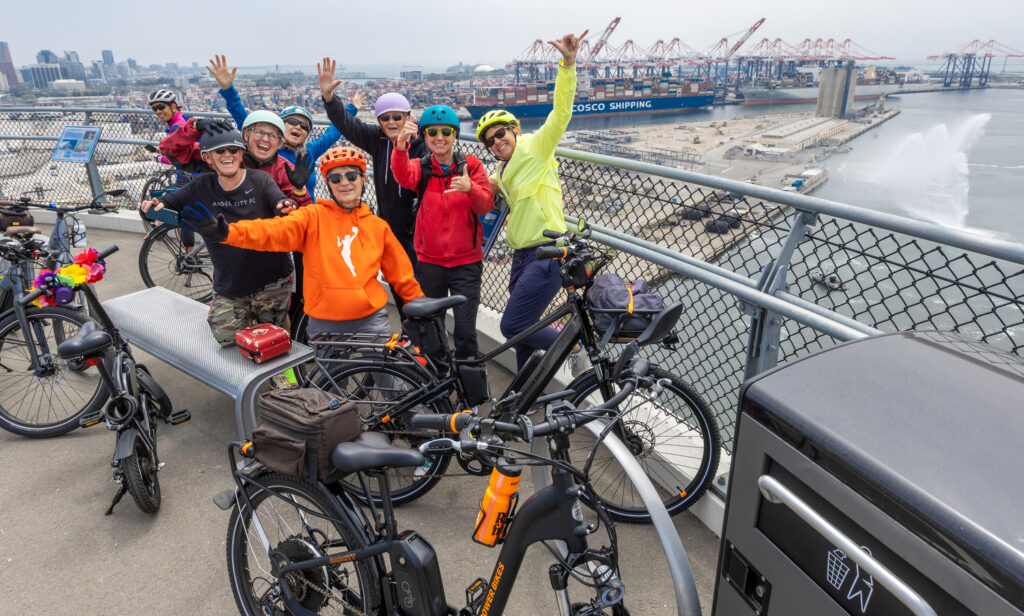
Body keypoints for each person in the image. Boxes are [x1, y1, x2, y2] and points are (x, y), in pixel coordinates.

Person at [177, 147, 423, 340]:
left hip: (370, 318)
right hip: (325, 319)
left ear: (363, 180)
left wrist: (421, 308)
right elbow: (272, 230)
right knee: (330, 387)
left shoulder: (378, 227)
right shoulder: (312, 217)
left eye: (351, 175)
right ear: (328, 185)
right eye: (335, 178)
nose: (344, 183)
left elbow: (401, 275)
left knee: (389, 381)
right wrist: (228, 233)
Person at [475, 29, 588, 371]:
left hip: (548, 251)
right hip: (522, 256)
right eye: (489, 141)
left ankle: (575, 345)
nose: (496, 142)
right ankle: (522, 396)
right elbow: (487, 184)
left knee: (513, 327)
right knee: (526, 332)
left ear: (515, 131)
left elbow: (561, 114)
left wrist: (567, 66)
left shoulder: (536, 148)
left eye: (500, 134)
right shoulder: (503, 170)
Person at [141, 127, 296, 347]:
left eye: (233, 149)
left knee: (277, 329)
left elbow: (279, 199)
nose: (227, 155)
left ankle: (283, 370)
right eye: (219, 151)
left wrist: (285, 205)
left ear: (242, 154)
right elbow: (168, 203)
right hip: (230, 283)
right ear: (207, 158)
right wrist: (151, 206)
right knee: (226, 337)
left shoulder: (261, 180)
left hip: (272, 278)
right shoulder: (201, 186)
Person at [317, 57, 427, 311]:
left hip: (417, 232)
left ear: (409, 117)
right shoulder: (377, 140)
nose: (390, 123)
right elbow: (346, 123)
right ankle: (410, 336)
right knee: (398, 288)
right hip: (389, 227)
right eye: (384, 118)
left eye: (396, 117)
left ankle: (428, 340)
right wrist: (329, 98)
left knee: (419, 289)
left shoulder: (423, 143)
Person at [391, 105, 492, 360]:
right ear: (424, 136)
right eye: (432, 132)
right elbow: (402, 176)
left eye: (446, 131)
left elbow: (485, 205)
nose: (439, 137)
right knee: (431, 328)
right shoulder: (421, 166)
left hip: (466, 264)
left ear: (455, 135)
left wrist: (470, 188)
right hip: (430, 263)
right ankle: (438, 379)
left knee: (466, 331)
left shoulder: (471, 165)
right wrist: (400, 147)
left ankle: (471, 385)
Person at [206, 55, 362, 199]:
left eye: (304, 126)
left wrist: (352, 108)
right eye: (292, 122)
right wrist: (228, 89)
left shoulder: (309, 151)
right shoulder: (268, 149)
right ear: (279, 127)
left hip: (306, 214)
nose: (299, 127)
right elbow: (244, 120)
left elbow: (332, 133)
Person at [159, 111, 313, 207]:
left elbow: (304, 210)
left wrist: (299, 190)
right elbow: (170, 150)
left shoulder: (284, 170)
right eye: (259, 132)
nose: (265, 139)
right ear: (245, 135)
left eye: (273, 135)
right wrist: (195, 127)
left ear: (279, 143)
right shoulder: (228, 156)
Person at [148, 89, 195, 251]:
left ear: (173, 105)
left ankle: (189, 252)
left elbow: (180, 156)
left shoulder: (177, 125)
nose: (158, 111)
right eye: (155, 109)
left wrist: (160, 158)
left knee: (184, 210)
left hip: (189, 171)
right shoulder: (179, 121)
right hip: (190, 170)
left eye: (161, 107)